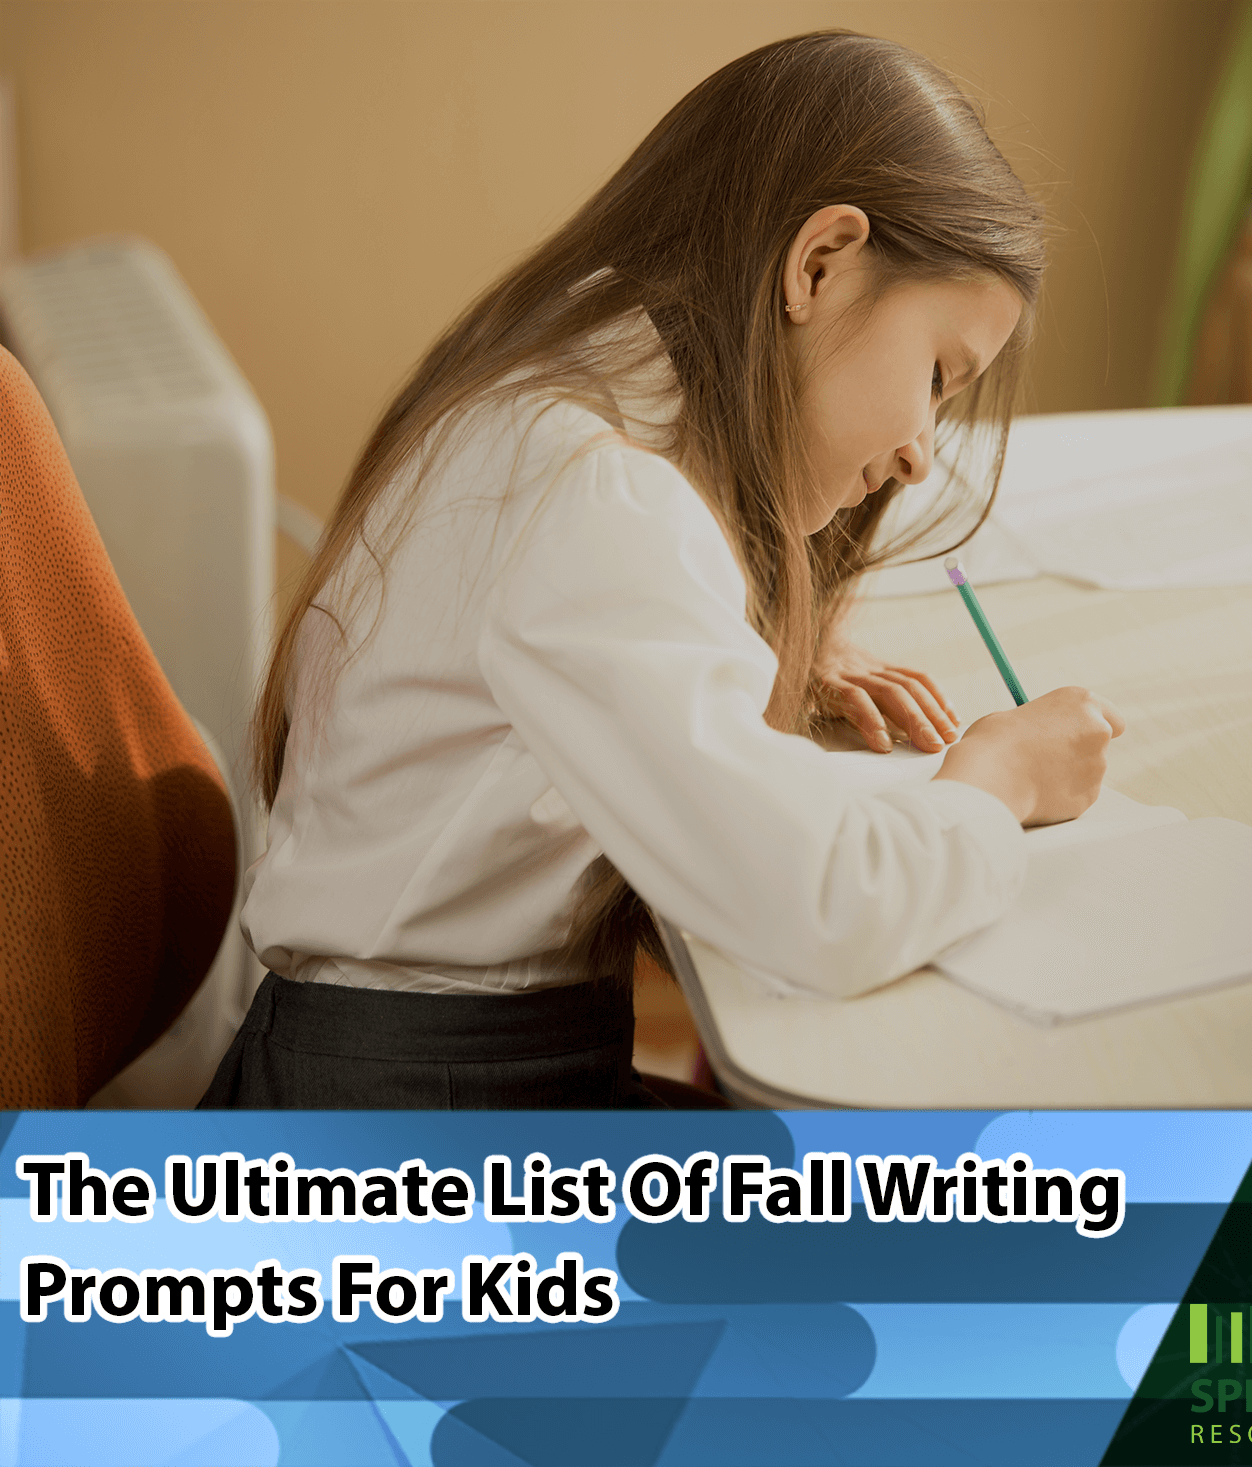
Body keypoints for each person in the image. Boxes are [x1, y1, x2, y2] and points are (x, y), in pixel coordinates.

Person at [200, 30, 1123, 1111]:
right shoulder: (595, 493)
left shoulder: (575, 386)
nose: (924, 447)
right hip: (403, 1141)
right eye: (937, 373)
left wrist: (746, 640)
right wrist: (997, 779)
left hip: (403, 1077)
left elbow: (599, 610)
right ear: (818, 263)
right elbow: (824, 904)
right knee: (944, 1207)